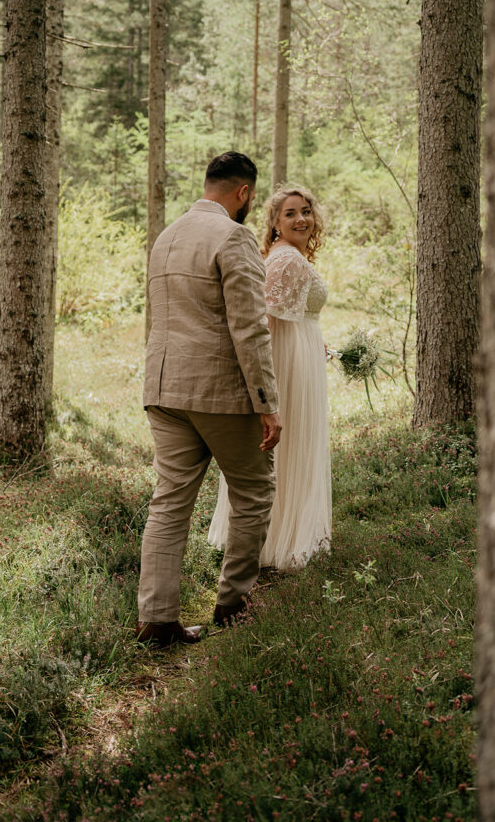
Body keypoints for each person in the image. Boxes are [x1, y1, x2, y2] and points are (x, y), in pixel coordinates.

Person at [136, 152, 282, 647]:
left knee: (169, 504)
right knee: (254, 490)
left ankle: (156, 620)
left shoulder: (166, 236)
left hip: (163, 388)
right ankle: (233, 605)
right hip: (218, 392)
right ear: (243, 193)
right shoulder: (234, 236)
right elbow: (249, 328)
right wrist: (267, 402)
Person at [208, 184, 331, 571]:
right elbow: (265, 318)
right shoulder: (285, 259)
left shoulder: (289, 256)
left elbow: (294, 315)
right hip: (287, 364)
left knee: (294, 446)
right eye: (290, 213)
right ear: (275, 224)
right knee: (289, 446)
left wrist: (318, 347)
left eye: (306, 211)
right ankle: (277, 542)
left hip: (301, 355)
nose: (301, 219)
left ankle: (276, 535)